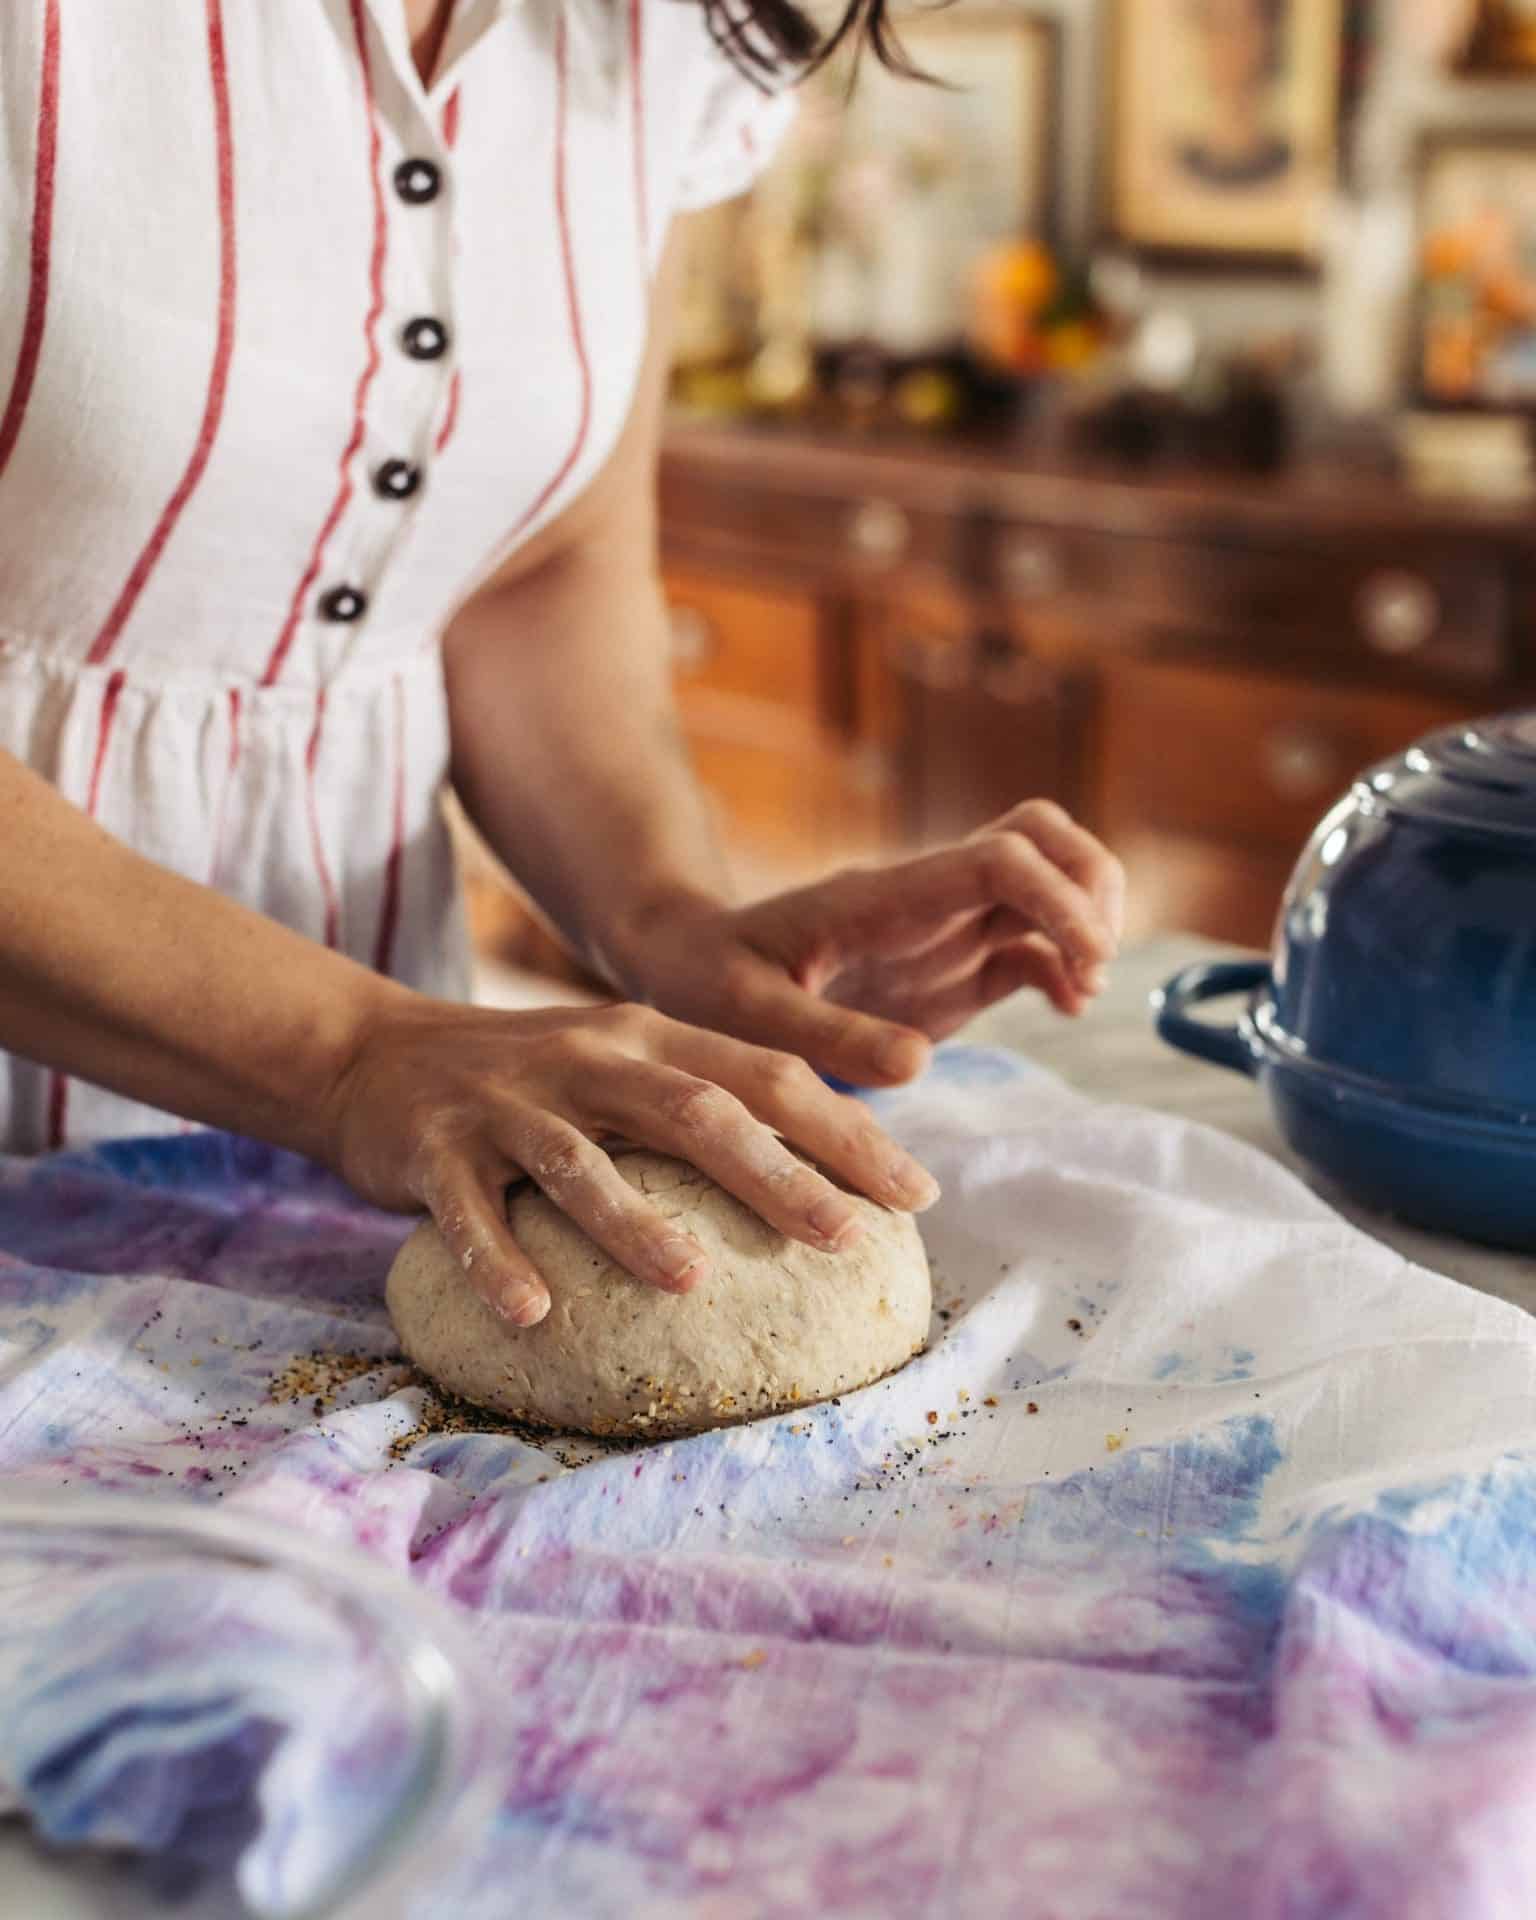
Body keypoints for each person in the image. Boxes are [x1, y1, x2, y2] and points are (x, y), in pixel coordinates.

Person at [0, 0, 1122, 1330]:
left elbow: (541, 564)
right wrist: (353, 1052)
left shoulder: (651, 29)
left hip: (325, 1196)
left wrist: (667, 919)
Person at [1178, 0, 1294, 192]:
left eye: (1243, 26)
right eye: (1214, 24)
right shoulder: (1179, 164)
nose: (1225, 44)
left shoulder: (1291, 164)